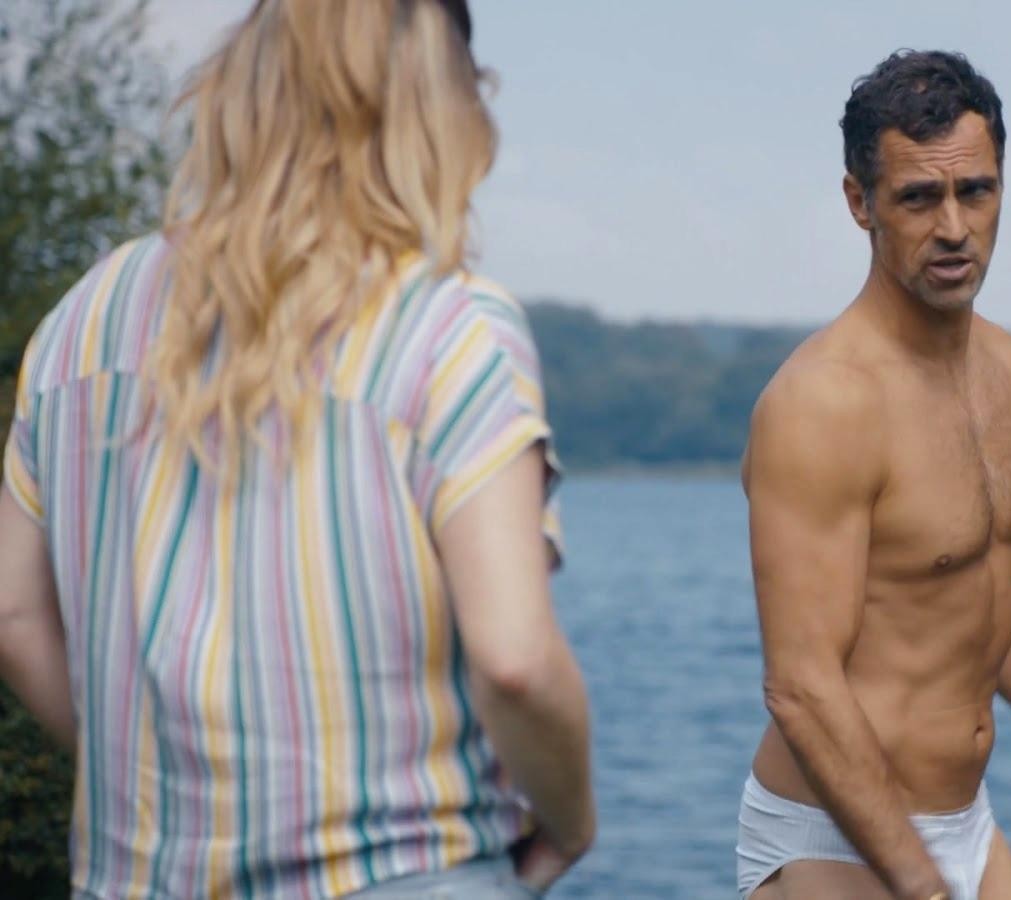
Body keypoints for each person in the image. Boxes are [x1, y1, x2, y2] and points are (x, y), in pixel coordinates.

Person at [0, 1, 594, 896]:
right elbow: (514, 659)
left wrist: (166, 786)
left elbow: (13, 615)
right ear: (440, 114)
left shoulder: (86, 314)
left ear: (240, 90)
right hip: (402, 870)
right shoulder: (450, 327)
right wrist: (573, 819)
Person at [735, 50, 1011, 899]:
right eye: (919, 198)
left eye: (976, 192)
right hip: (834, 833)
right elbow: (801, 687)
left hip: (967, 824)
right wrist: (920, 887)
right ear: (861, 203)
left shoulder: (1010, 373)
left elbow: (976, 580)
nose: (954, 227)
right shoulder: (822, 402)